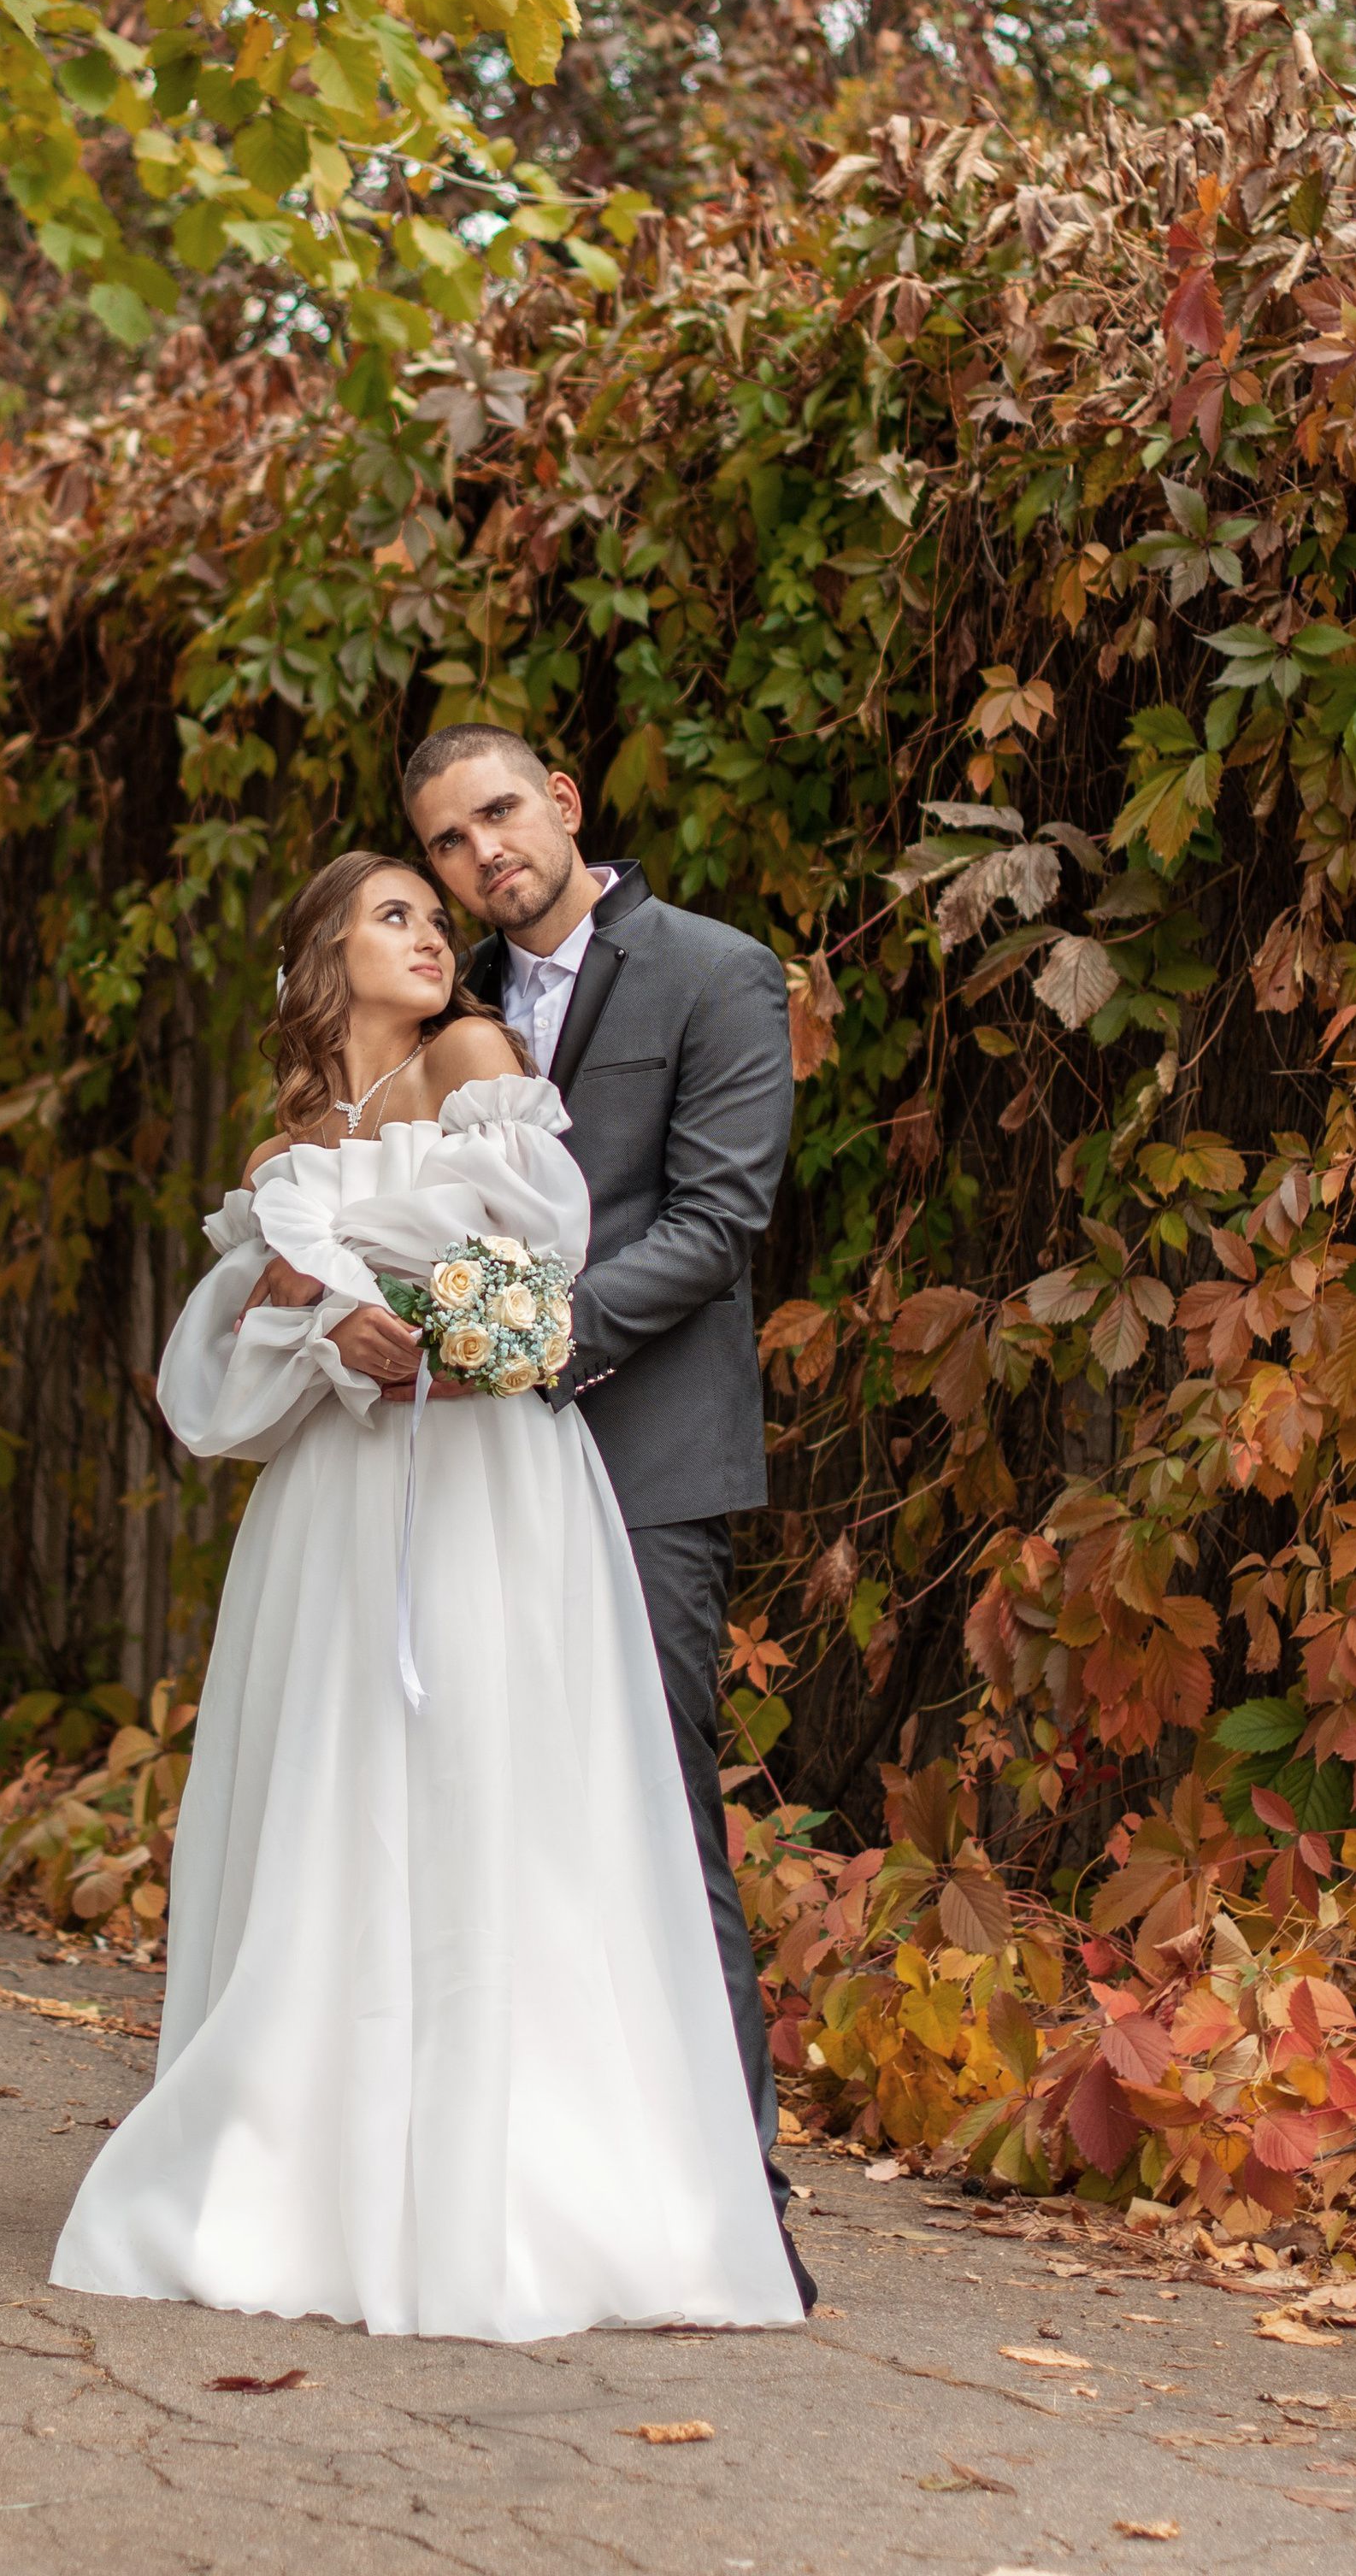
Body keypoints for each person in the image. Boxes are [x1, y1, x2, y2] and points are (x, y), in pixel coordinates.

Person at [49, 850, 799, 2342]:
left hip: (486, 1490)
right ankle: (309, 2170)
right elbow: (218, 1389)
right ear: (322, 947)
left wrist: (351, 1290)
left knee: (493, 1806)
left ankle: (508, 2185)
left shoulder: (476, 1060)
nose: (432, 933)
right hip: (334, 1509)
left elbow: (539, 1253)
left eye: (436, 918)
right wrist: (330, 1330)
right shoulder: (279, 1148)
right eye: (396, 912)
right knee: (330, 1816)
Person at [405, 726, 811, 2305]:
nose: (481, 854)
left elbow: (720, 1216)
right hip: (478, 1477)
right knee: (496, 1815)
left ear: (563, 806)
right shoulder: (451, 1011)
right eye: (446, 841)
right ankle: (529, 2184)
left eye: (499, 815)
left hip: (642, 1461)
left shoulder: (717, 971)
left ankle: (735, 2198)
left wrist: (529, 1340)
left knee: (657, 1815)